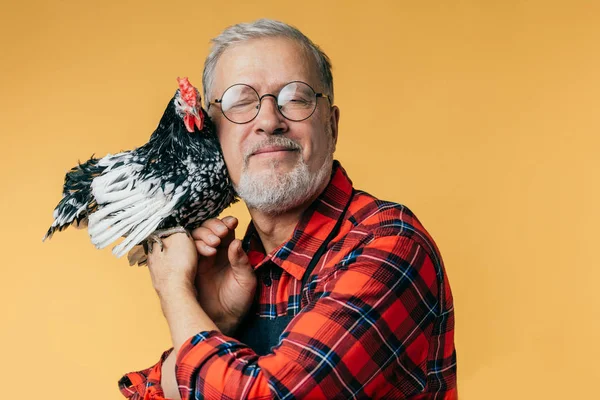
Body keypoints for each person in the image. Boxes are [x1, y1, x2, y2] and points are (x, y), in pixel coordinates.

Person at [118, 19, 457, 400]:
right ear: (212, 136)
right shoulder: (238, 265)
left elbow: (270, 396)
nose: (268, 121)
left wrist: (174, 290)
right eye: (240, 102)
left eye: (295, 98)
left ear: (331, 125)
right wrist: (218, 323)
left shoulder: (389, 245)